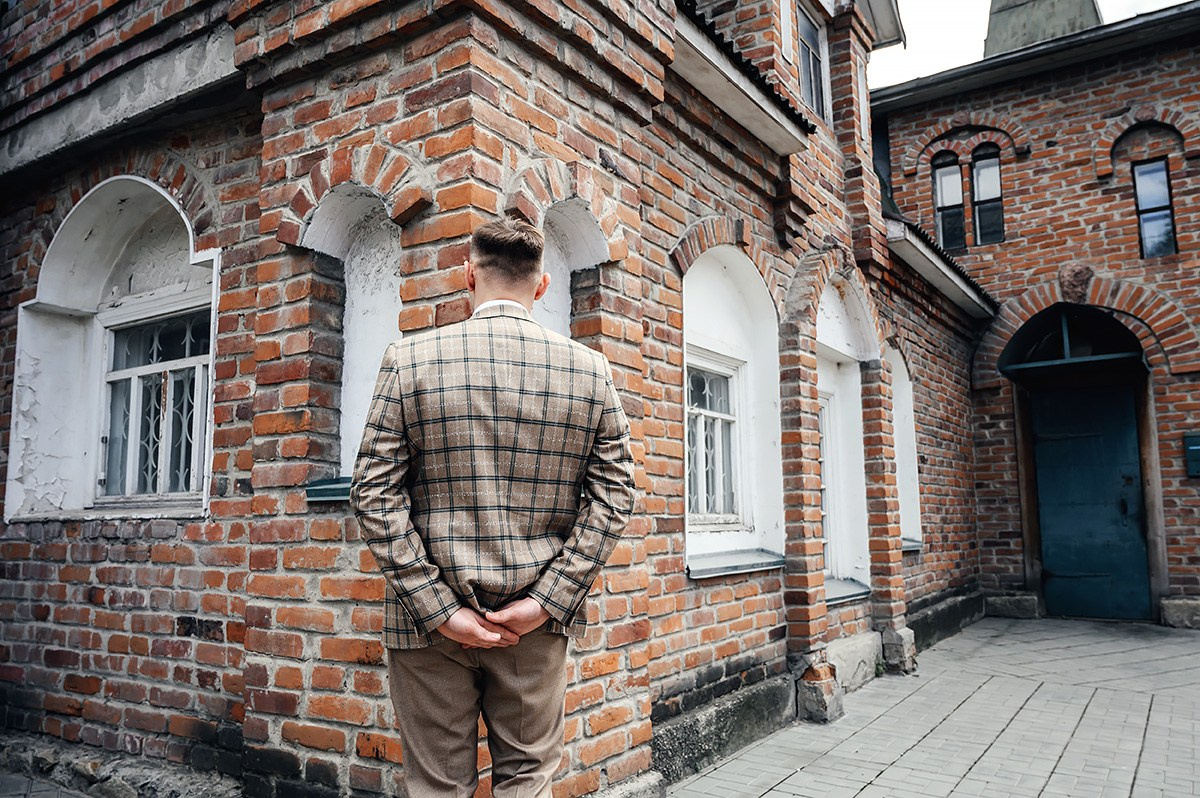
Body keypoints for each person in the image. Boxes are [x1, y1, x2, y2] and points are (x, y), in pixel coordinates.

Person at [350, 217, 635, 797]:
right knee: (528, 781)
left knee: (436, 787)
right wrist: (545, 603)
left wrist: (438, 609)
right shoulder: (590, 371)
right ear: (542, 286)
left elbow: (373, 493)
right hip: (533, 628)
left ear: (467, 276)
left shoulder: (408, 360)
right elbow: (615, 496)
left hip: (426, 628)